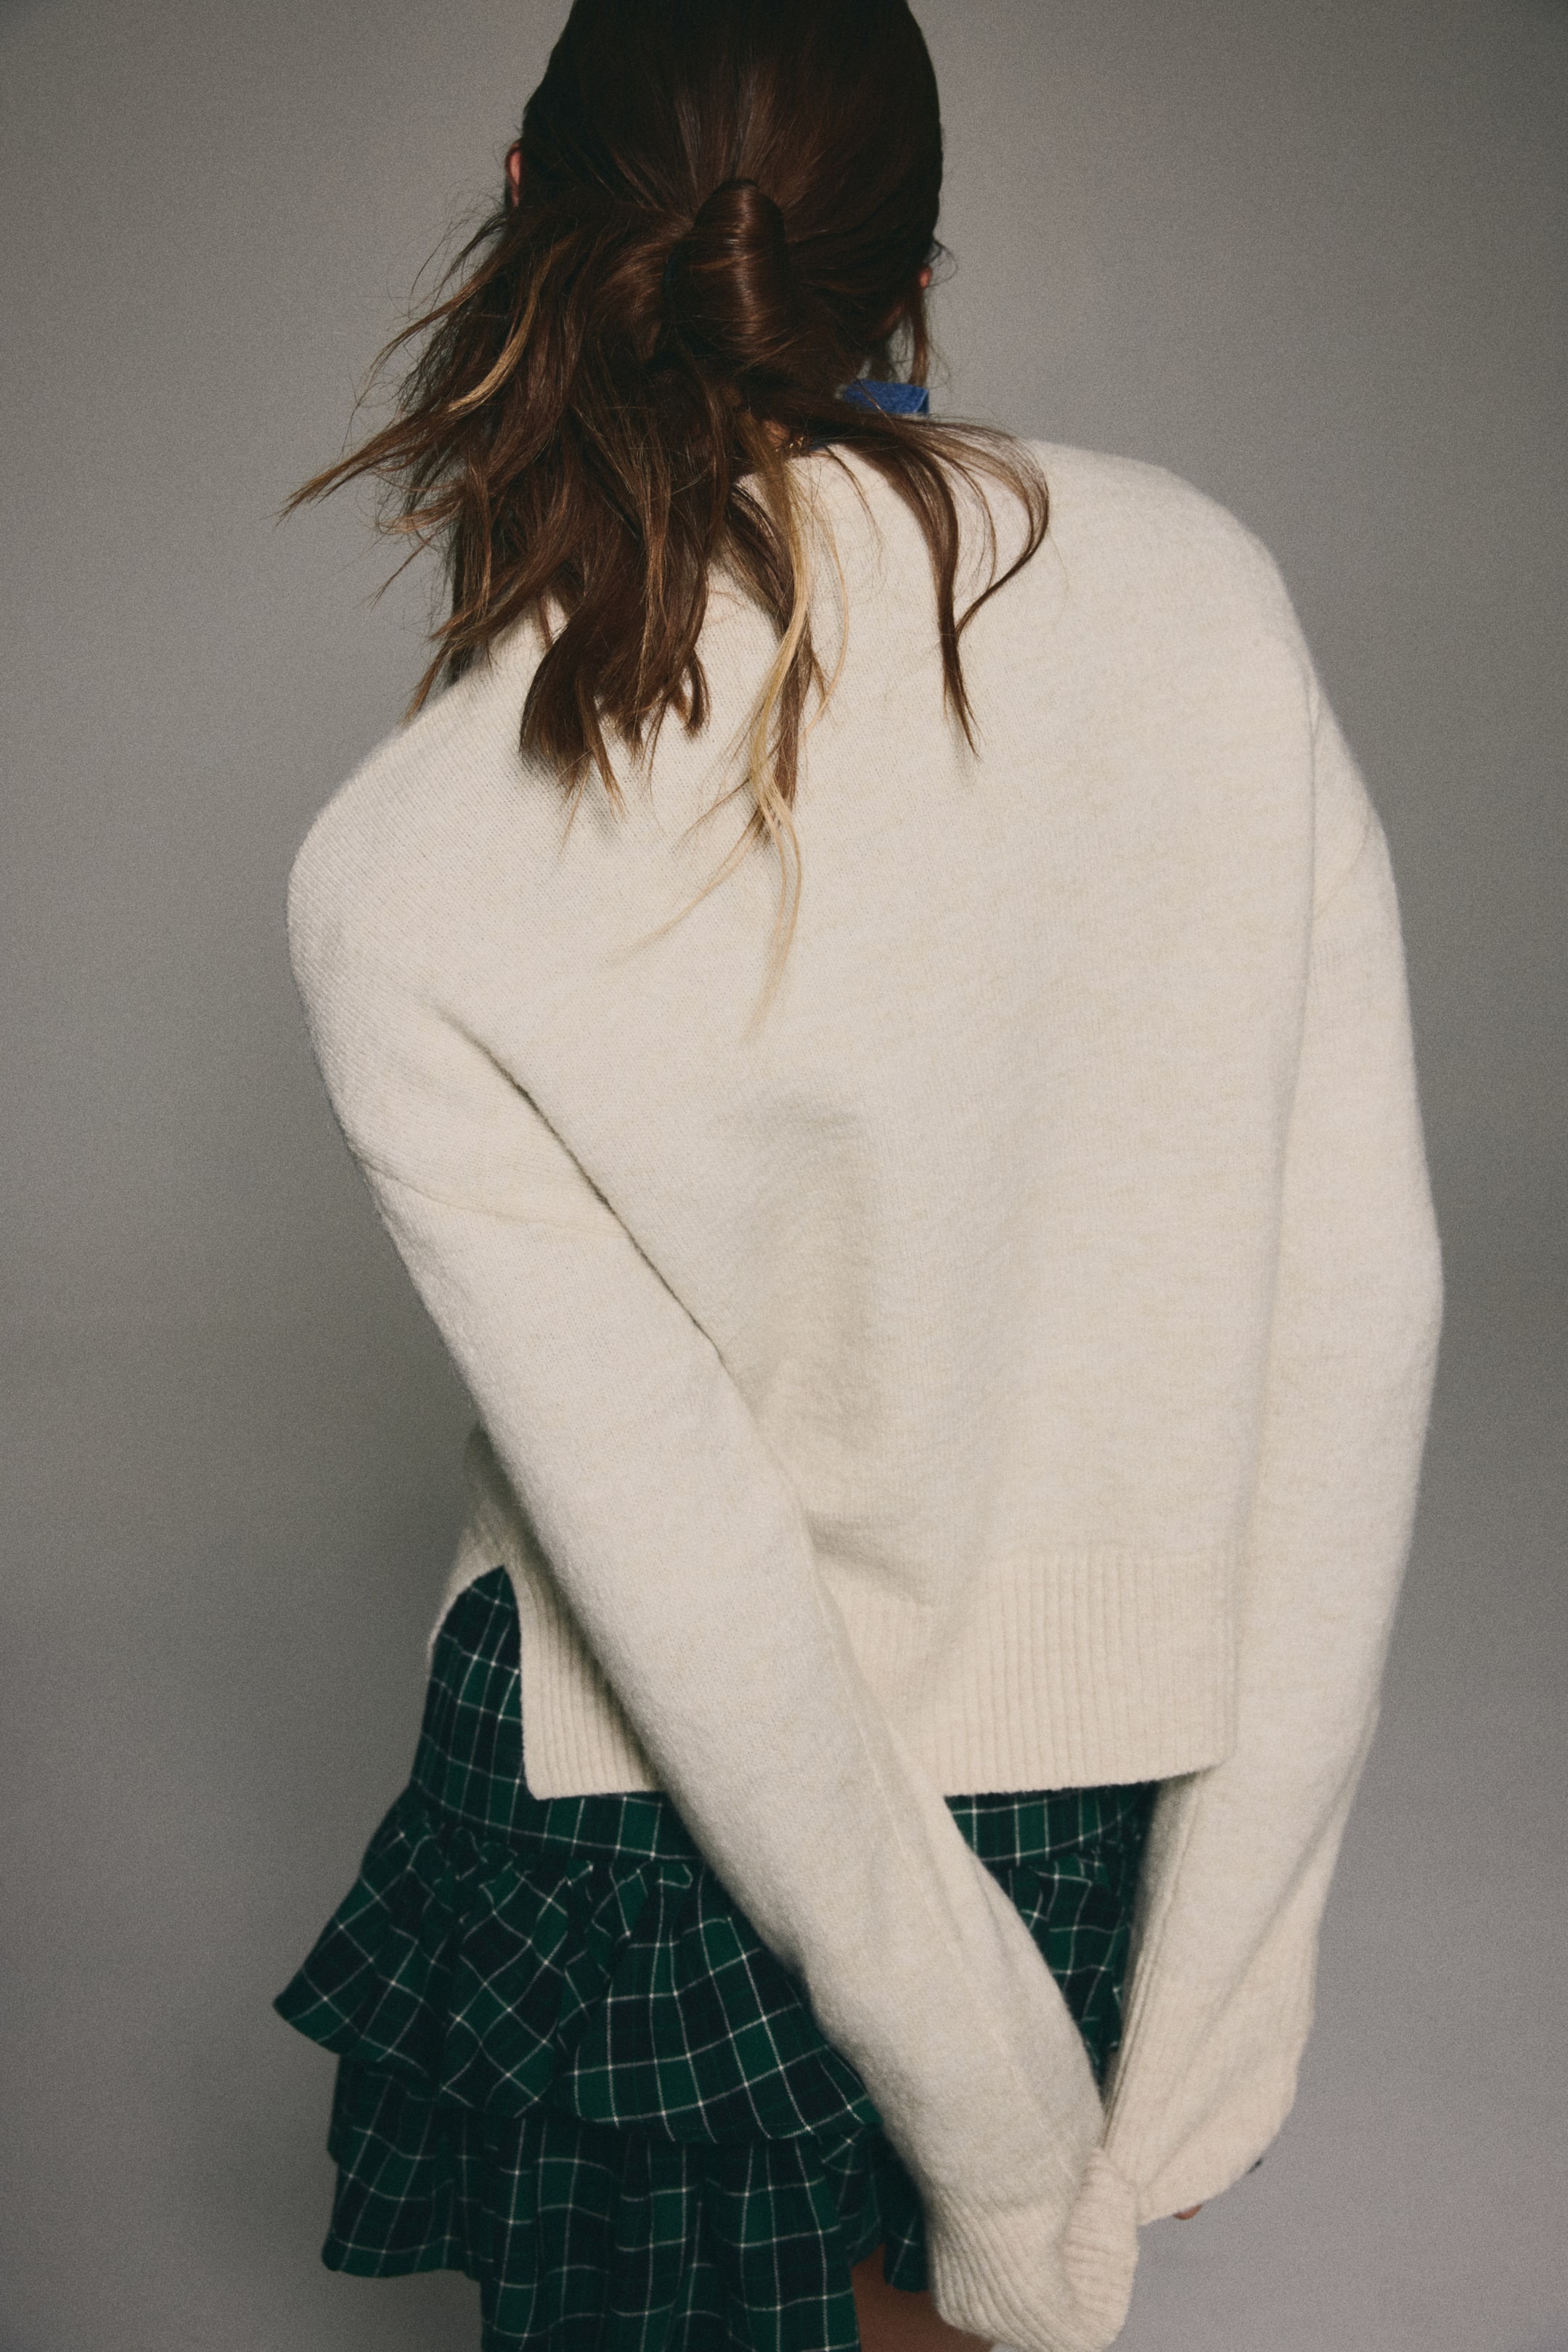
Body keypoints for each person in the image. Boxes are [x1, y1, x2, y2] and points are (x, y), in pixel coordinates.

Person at [271, 4, 1445, 2349]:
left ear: (527, 205)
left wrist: (986, 2109)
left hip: (652, 1819)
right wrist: (1219, 1975)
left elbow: (681, 1555)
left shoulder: (407, 863)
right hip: (1084, 1786)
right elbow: (1351, 1317)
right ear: (914, 253)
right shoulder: (1201, 598)